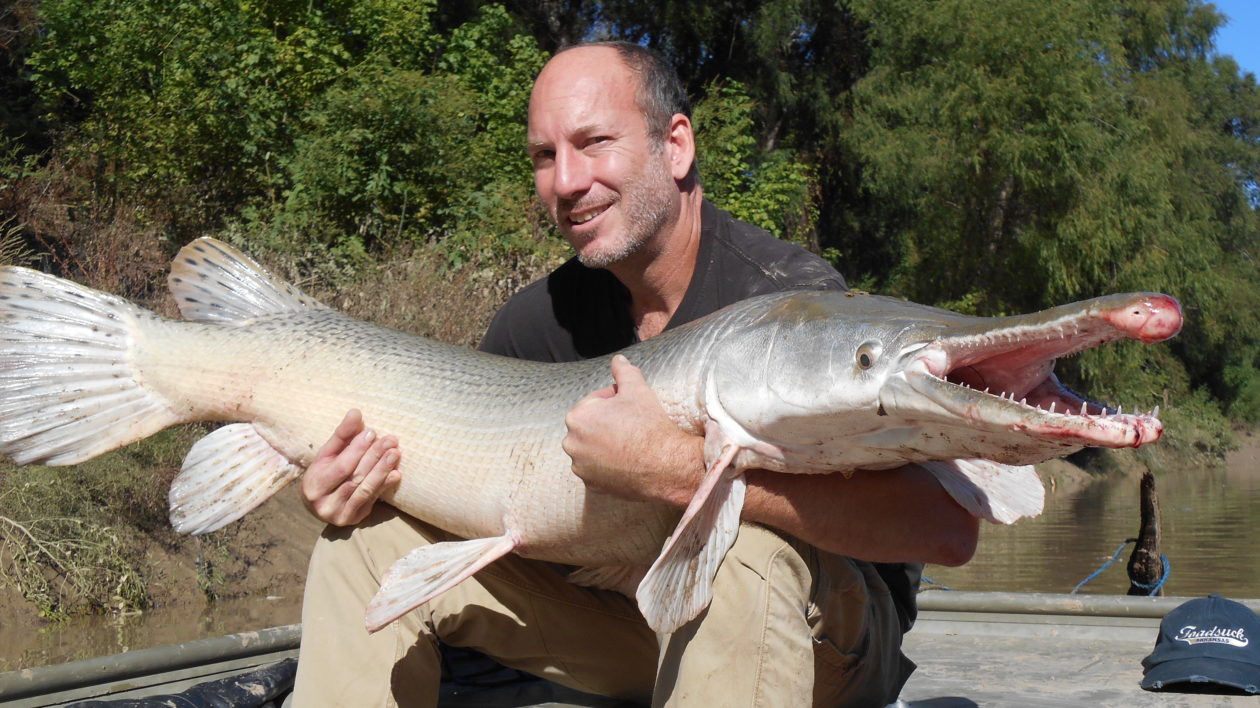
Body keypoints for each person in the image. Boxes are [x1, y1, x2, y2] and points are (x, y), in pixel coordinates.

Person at [292, 41, 979, 707]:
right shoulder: (538, 322)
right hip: (633, 624)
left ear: (675, 146)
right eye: (544, 155)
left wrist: (676, 470)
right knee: (365, 543)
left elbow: (945, 530)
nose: (566, 182)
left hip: (824, 639)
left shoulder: (790, 309)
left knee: (747, 545)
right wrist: (353, 485)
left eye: (594, 143)